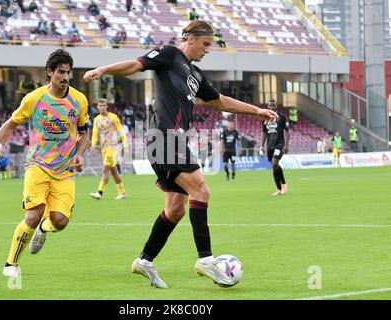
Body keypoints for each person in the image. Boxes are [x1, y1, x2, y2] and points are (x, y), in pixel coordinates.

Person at [83, 20, 278, 288]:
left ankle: (145, 261)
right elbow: (135, 65)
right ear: (190, 38)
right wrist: (103, 70)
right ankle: (206, 260)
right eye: (206, 44)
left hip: (170, 141)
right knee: (201, 190)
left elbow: (220, 101)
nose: (208, 49)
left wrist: (256, 110)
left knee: (175, 209)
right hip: (163, 138)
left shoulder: (195, 75)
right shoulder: (169, 54)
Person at [0, 49, 89, 278]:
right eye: (60, 72)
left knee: (60, 222)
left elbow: (84, 133)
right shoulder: (34, 99)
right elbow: (10, 124)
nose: (65, 77)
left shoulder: (79, 100)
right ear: (49, 72)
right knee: (32, 215)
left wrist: (80, 153)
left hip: (64, 171)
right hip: (38, 165)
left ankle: (44, 228)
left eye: (68, 73)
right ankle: (11, 264)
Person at [89, 98, 128, 200]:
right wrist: (93, 144)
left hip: (113, 147)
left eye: (104, 105)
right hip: (104, 148)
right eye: (100, 106)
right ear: (97, 107)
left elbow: (121, 131)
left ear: (107, 106)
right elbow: (95, 133)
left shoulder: (113, 117)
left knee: (105, 169)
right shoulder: (96, 119)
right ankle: (122, 192)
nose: (102, 107)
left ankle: (99, 192)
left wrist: (125, 145)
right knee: (114, 171)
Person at [260, 99, 290, 196]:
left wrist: (286, 144)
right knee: (274, 166)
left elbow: (287, 131)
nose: (271, 106)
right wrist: (261, 146)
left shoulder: (282, 117)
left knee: (274, 162)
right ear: (268, 107)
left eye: (273, 105)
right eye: (270, 105)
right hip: (270, 145)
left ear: (276, 106)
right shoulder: (265, 118)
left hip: (279, 143)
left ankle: (284, 185)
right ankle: (279, 189)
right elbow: (264, 133)